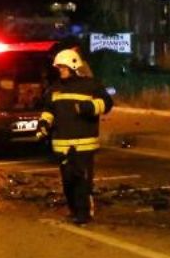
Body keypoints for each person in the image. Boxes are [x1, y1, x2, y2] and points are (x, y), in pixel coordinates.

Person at [38, 49, 113, 225]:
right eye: (59, 68)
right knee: (68, 181)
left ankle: (83, 214)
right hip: (62, 144)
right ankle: (74, 211)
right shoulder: (54, 89)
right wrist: (43, 125)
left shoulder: (90, 85)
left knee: (82, 181)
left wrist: (90, 107)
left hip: (84, 144)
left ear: (73, 66)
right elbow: (49, 111)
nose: (60, 71)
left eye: (63, 67)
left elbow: (107, 103)